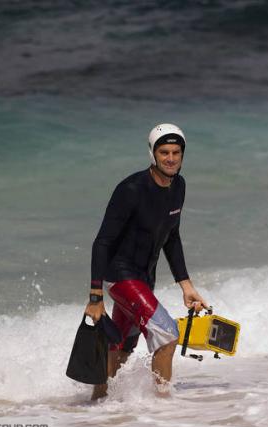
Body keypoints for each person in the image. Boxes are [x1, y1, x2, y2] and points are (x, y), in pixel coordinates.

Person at [85, 123, 208, 399]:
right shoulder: (130, 189)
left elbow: (172, 236)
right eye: (164, 152)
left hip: (143, 279)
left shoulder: (179, 186)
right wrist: (95, 296)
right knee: (167, 334)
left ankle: (98, 405)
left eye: (176, 152)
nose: (171, 158)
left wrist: (185, 285)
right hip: (120, 276)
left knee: (121, 348)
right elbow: (102, 241)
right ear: (152, 154)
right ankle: (163, 402)